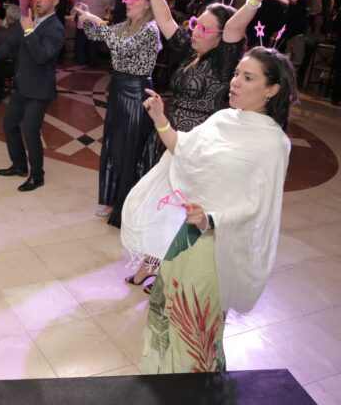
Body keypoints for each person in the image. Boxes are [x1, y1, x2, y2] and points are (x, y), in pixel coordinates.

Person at [125, 0, 302, 286]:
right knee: (163, 207)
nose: (196, 31)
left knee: (182, 213)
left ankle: (167, 274)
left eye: (206, 29)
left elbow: (235, 25)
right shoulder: (191, 51)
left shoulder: (224, 61)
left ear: (222, 37)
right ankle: (153, 264)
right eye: (196, 24)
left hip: (200, 149)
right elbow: (165, 20)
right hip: (172, 138)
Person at [121, 47, 297, 373]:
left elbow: (259, 206)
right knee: (167, 306)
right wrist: (160, 119)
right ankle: (161, 375)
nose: (235, 82)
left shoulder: (273, 143)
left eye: (248, 78)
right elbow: (183, 149)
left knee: (195, 322)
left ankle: (195, 386)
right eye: (237, 74)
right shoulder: (221, 119)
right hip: (188, 235)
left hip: (218, 244)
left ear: (272, 90)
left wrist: (212, 218)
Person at [76, 0, 161, 228]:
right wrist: (88, 19)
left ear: (148, 5)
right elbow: (94, 36)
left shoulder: (150, 29)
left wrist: (100, 22)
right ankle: (113, 200)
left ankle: (128, 205)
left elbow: (121, 49)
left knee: (131, 149)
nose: (128, 2)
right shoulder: (125, 26)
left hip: (136, 93)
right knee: (114, 146)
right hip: (118, 90)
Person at [0, 0, 65, 192]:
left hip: (40, 89)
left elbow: (41, 56)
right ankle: (19, 165)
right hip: (23, 85)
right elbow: (11, 43)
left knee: (31, 131)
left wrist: (29, 31)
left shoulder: (56, 28)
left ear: (55, 1)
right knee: (9, 124)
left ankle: (37, 176)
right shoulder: (32, 21)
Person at [74, 0, 115, 66]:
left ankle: (80, 60)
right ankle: (92, 62)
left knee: (81, 43)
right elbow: (108, 1)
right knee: (93, 43)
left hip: (82, 21)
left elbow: (76, 4)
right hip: (94, 21)